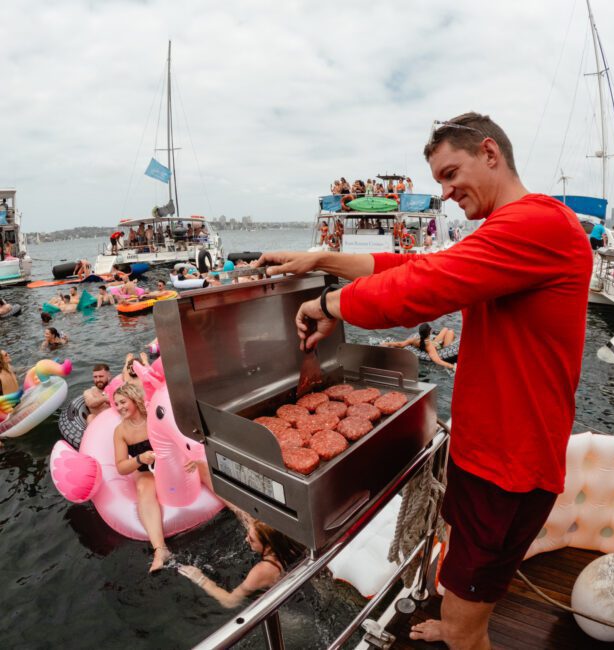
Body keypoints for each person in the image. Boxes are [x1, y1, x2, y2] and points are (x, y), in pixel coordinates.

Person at [253, 112, 593, 650]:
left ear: (489, 153)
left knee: (463, 626)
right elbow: (411, 262)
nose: (446, 190)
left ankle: (465, 631)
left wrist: (328, 304)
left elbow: (426, 284)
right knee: (460, 577)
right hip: (484, 453)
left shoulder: (539, 224)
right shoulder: (506, 232)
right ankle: (462, 617)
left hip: (510, 469)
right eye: (438, 180)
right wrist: (322, 259)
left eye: (450, 173)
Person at [178, 519, 303, 607]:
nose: (246, 539)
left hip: (289, 614)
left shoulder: (262, 570)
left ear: (269, 547)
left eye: (252, 539)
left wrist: (200, 579)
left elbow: (230, 601)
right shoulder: (289, 545)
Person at [112, 383, 168, 571]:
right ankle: (160, 551)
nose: (119, 407)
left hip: (169, 463)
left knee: (200, 468)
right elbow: (121, 467)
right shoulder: (121, 431)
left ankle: (244, 515)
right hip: (146, 470)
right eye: (116, 404)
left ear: (134, 399)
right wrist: (139, 458)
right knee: (143, 489)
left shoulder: (154, 415)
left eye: (122, 402)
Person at [382, 323, 457, 371]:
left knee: (445, 329)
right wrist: (452, 366)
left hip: (433, 342)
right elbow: (437, 360)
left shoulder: (414, 340)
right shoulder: (429, 346)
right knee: (451, 332)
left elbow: (400, 344)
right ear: (430, 332)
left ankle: (448, 337)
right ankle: (450, 340)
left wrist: (388, 343)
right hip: (438, 347)